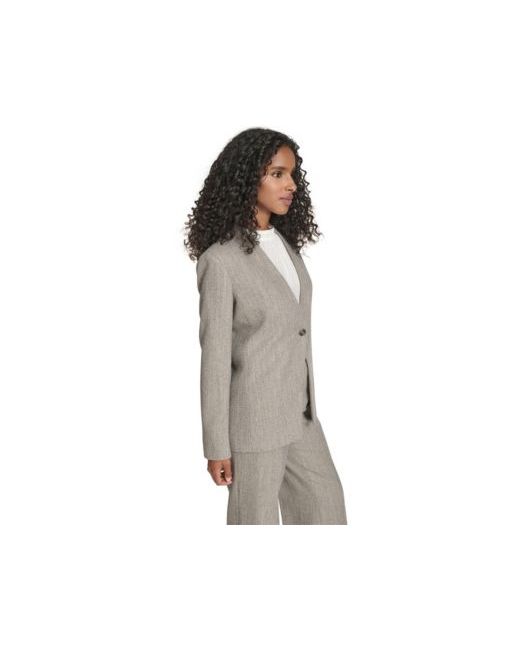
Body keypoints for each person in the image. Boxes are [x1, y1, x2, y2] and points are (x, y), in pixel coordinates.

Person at [184, 127, 348, 525]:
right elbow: (215, 358)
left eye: (292, 174)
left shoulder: (285, 245)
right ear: (246, 179)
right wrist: (216, 445)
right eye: (277, 174)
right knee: (253, 524)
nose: (291, 185)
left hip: (302, 416)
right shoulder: (220, 261)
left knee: (326, 506)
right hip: (253, 422)